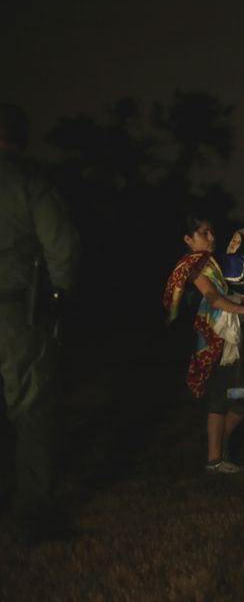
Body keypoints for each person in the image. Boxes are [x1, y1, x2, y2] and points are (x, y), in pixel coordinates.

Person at [0, 104, 79, 544]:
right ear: (21, 138)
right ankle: (33, 513)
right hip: (14, 312)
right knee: (30, 405)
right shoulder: (30, 179)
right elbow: (62, 244)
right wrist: (60, 294)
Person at [164, 215, 244, 474]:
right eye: (204, 233)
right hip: (213, 338)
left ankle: (217, 452)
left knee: (240, 400)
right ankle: (215, 459)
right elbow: (215, 300)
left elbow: (226, 299)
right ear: (188, 239)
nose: (212, 237)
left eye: (212, 232)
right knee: (223, 396)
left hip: (225, 337)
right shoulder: (193, 265)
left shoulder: (209, 263)